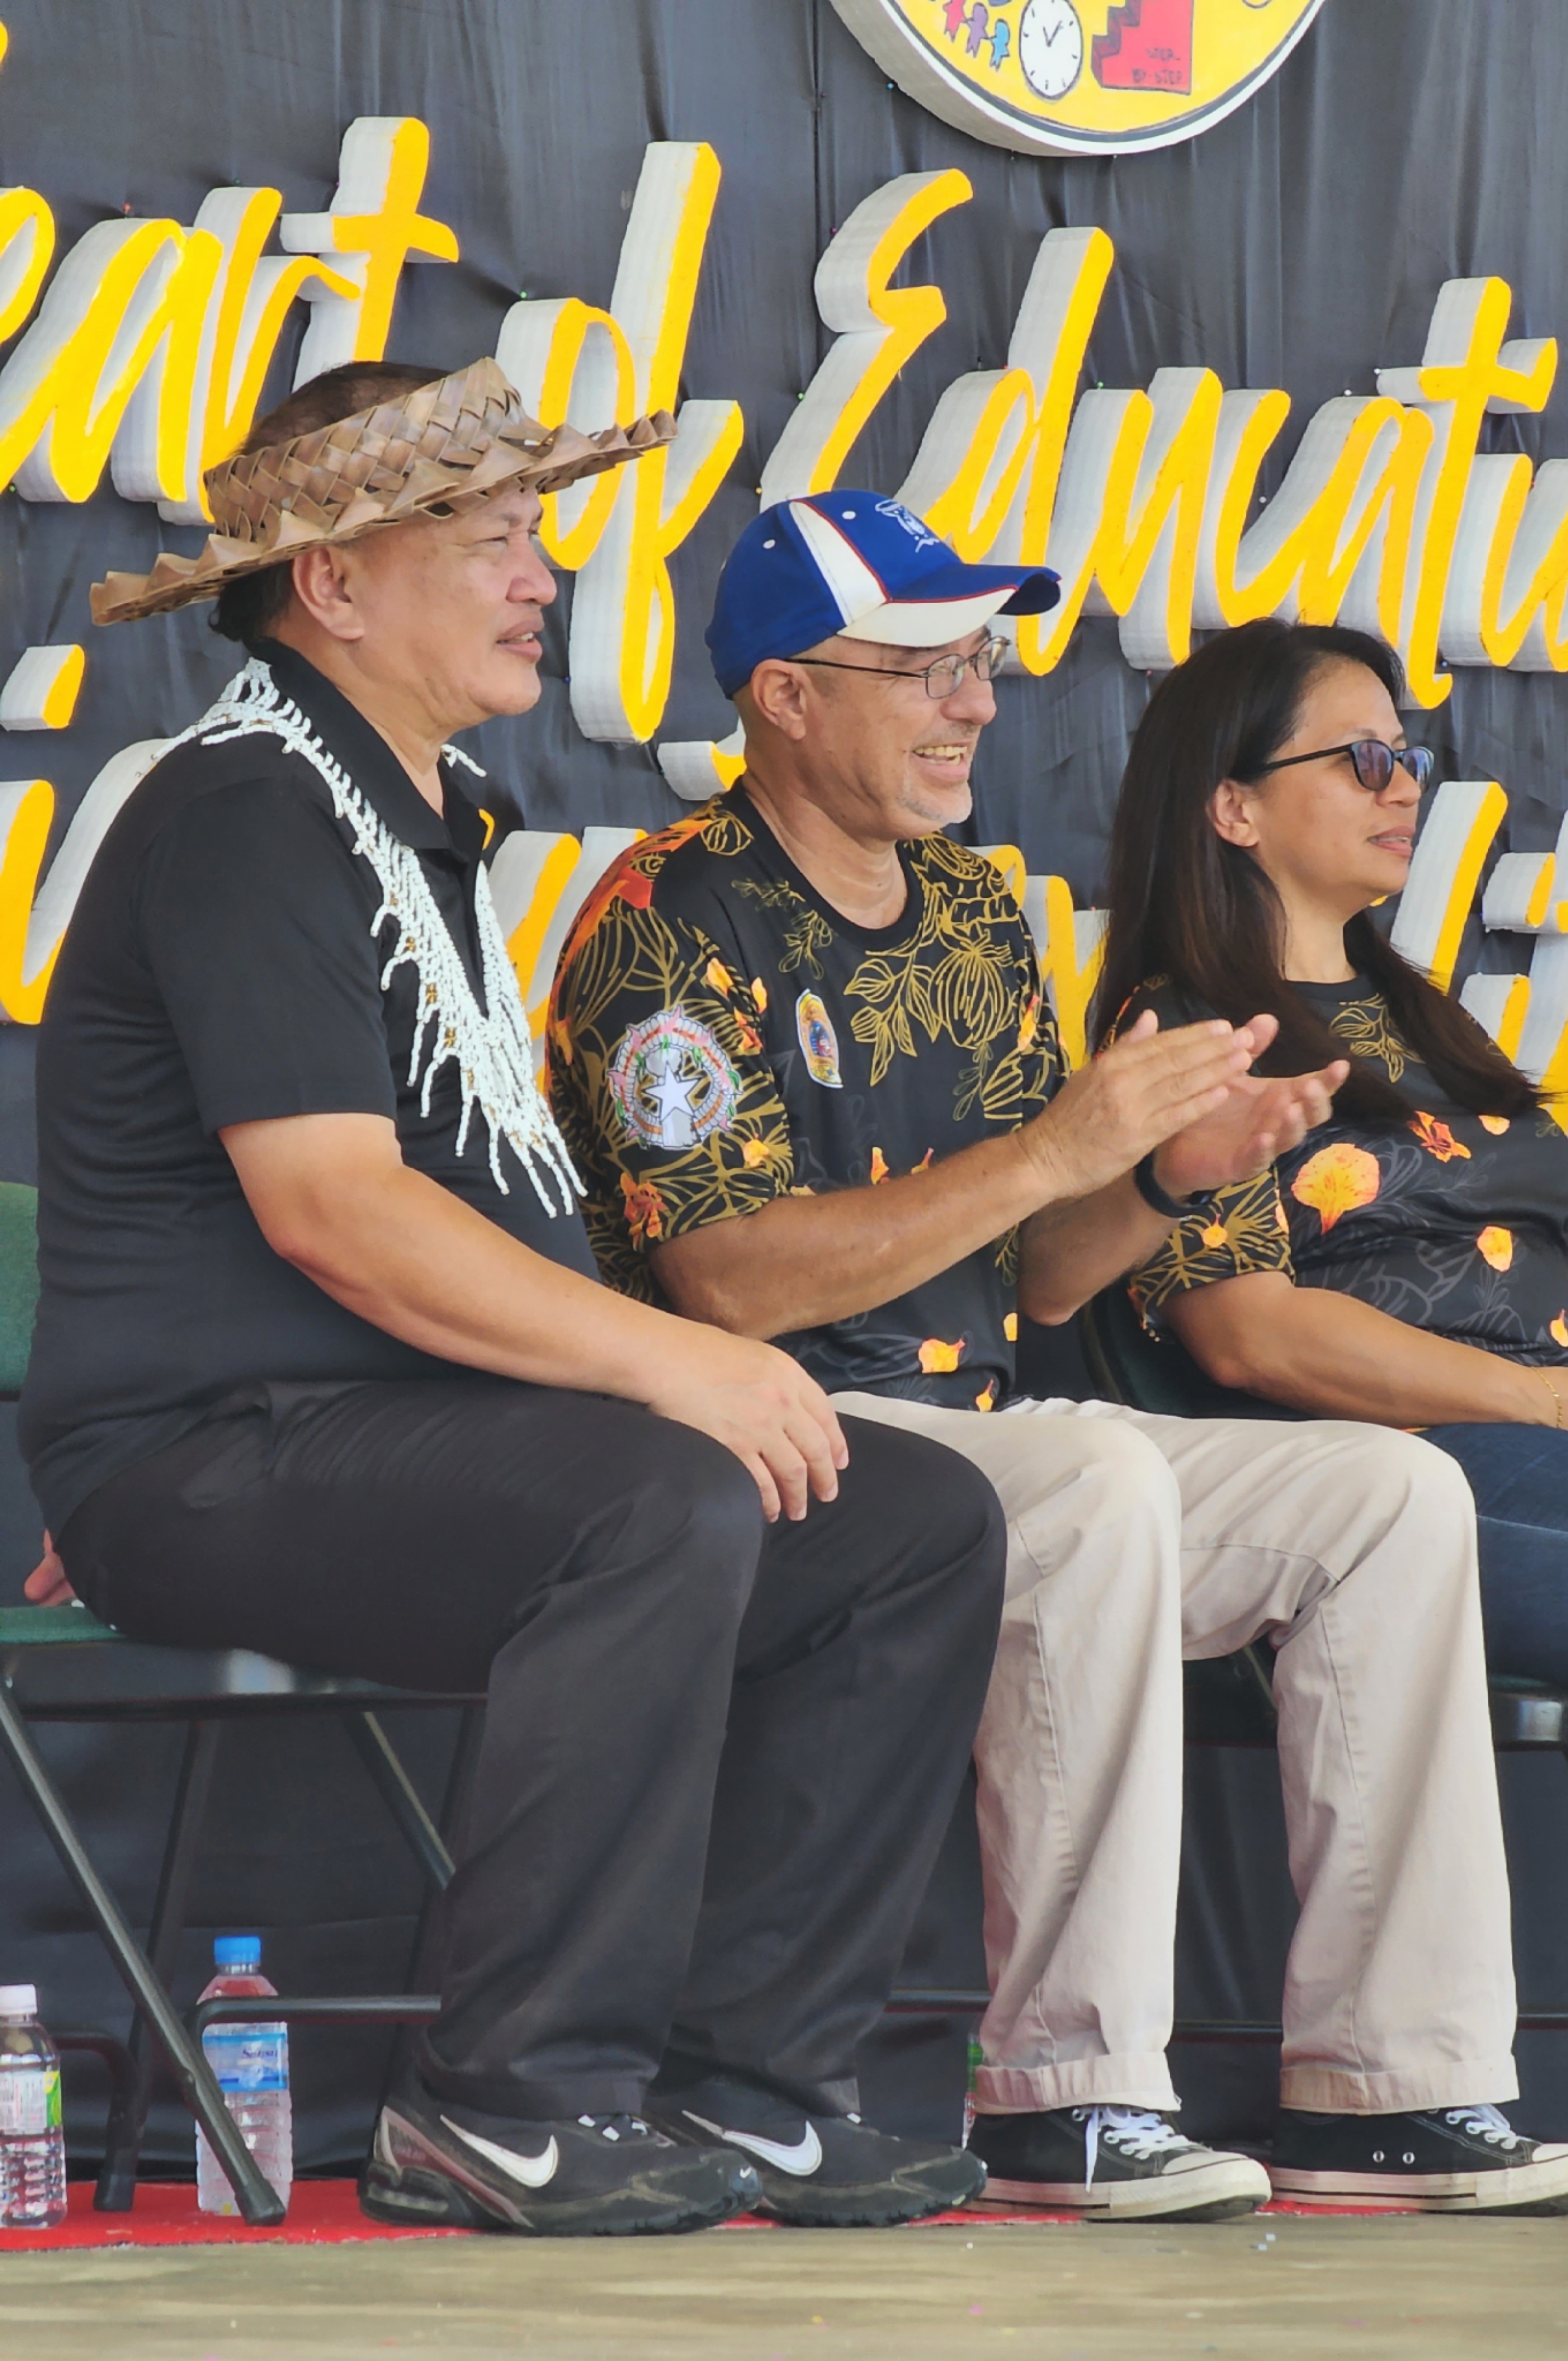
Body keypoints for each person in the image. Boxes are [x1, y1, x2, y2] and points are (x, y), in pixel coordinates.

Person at [545, 488, 1568, 2218]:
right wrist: (1066, 1149)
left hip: (989, 1434)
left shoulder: (972, 911)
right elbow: (730, 1284)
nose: (975, 699)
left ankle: (1389, 2084)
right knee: (1099, 1467)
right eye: (922, 665)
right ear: (785, 696)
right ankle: (1072, 2091)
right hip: (779, 1450)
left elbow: (1046, 1274)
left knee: (1390, 1498)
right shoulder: (667, 919)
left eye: (979, 660)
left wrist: (1170, 1178)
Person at [20, 364, 1010, 2237]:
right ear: (332, 586)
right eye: (491, 540)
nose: (540, 576)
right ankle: (508, 2098)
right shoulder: (241, 808)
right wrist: (683, 1364)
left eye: (535, 536)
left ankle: (758, 2090)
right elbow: (333, 1215)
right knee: (666, 1491)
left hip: (365, 1442)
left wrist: (674, 1378)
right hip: (215, 1455)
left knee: (911, 1523)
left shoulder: (424, 816)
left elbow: (484, 1215)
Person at [1092, 613, 1568, 2218]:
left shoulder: (1417, 1016)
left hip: (1551, 1430)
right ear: (1234, 805)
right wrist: (1554, 1392)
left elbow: (1527, 1284)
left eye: (1414, 757)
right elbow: (1251, 1334)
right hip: (1388, 1477)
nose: (1405, 786)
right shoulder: (1192, 1038)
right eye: (1364, 757)